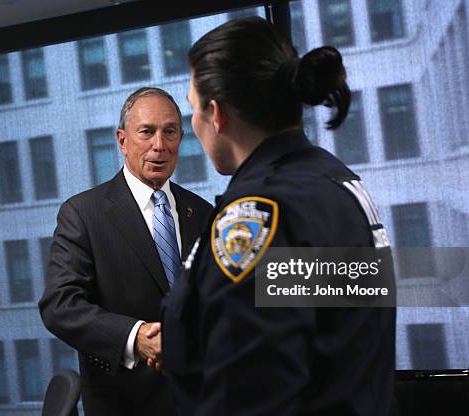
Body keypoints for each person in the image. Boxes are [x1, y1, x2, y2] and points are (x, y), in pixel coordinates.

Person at [159, 18, 396, 415]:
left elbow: (250, 394)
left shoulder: (260, 216)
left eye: (192, 110)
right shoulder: (333, 181)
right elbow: (325, 335)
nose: (193, 126)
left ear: (216, 115)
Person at [39, 87, 212, 415]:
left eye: (170, 132)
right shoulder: (83, 213)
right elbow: (60, 305)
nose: (159, 145)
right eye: (147, 132)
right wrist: (136, 338)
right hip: (125, 403)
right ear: (122, 140)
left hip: (202, 400)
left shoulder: (203, 213)